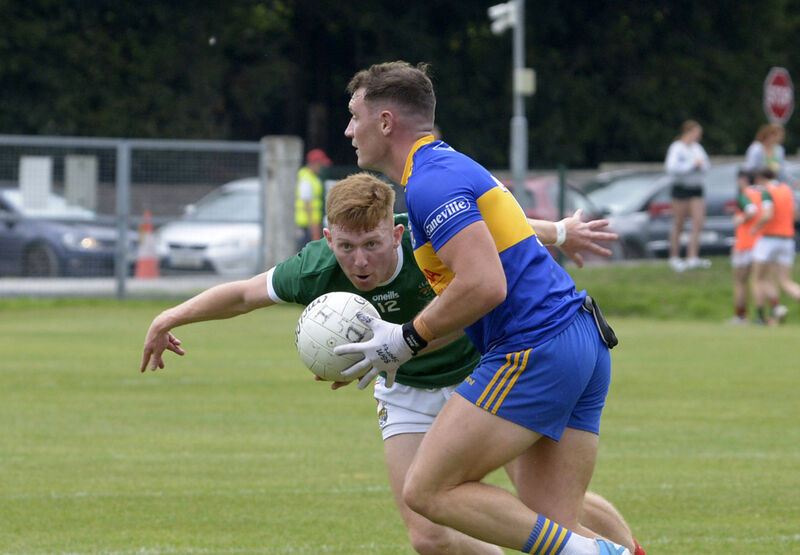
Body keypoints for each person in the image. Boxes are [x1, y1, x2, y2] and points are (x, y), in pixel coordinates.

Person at [140, 173, 641, 555]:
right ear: (328, 237)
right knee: (428, 537)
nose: (359, 262)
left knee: (544, 504)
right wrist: (171, 316)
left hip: (481, 373)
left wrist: (558, 232)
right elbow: (245, 294)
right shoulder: (315, 267)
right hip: (406, 391)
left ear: (396, 233)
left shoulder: (427, 241)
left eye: (372, 245)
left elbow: (498, 227)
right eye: (346, 247)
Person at [337, 61, 633, 555]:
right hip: (581, 338)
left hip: (536, 346)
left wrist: (404, 337)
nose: (349, 130)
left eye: (354, 115)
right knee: (551, 528)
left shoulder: (431, 182)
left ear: (385, 122)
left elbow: (484, 285)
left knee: (427, 489)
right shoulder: (446, 167)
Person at [750, 167, 799, 325]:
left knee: (758, 278)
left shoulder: (767, 192)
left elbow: (767, 214)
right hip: (788, 239)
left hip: (769, 239)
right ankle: (775, 315)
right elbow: (795, 213)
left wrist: (755, 227)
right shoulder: (787, 190)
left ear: (761, 178)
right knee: (785, 282)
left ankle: (760, 317)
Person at [664, 120, 711, 272]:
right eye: (696, 132)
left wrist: (700, 165)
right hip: (681, 190)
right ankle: (675, 257)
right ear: (688, 132)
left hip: (696, 189)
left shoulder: (697, 148)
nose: (698, 136)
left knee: (698, 223)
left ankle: (693, 257)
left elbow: (706, 165)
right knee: (679, 224)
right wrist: (692, 165)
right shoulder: (677, 148)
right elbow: (672, 168)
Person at [729, 169, 761, 324]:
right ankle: (762, 316)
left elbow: (751, 210)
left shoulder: (745, 195)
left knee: (740, 281)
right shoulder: (764, 194)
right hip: (761, 243)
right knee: (759, 280)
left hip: (744, 244)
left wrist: (740, 219)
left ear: (744, 180)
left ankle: (741, 316)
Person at [295, 148, 331, 251]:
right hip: (308, 226)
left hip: (311, 225)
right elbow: (308, 205)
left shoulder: (312, 178)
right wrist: (314, 232)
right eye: (321, 165)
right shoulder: (306, 179)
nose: (322, 168)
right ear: (314, 163)